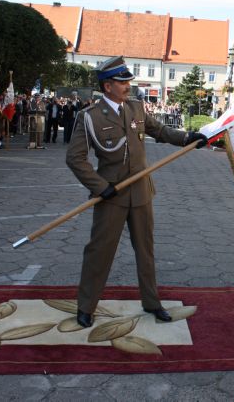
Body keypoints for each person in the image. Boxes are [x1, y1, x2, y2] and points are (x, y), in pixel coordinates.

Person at [66, 56, 208, 327]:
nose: (127, 86)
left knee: (146, 250)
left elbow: (161, 131)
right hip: (112, 195)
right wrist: (99, 187)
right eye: (122, 82)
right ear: (107, 86)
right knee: (99, 252)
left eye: (128, 81)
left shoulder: (136, 108)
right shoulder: (89, 117)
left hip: (142, 192)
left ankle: (152, 302)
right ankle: (86, 306)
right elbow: (75, 158)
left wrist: (187, 138)